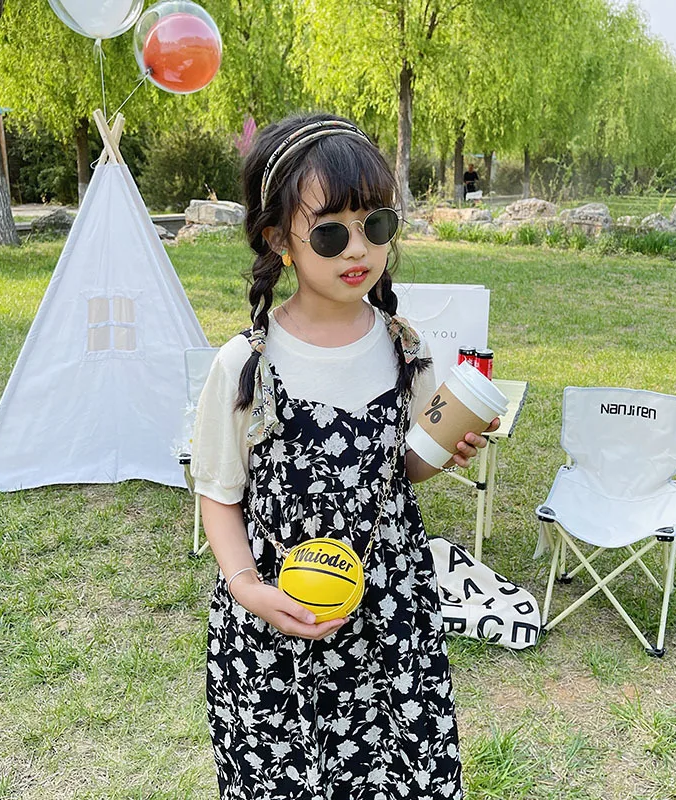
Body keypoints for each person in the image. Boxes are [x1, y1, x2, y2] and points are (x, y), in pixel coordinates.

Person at [191, 111, 499, 800]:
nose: (358, 248)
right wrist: (246, 586)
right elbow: (219, 491)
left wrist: (445, 448)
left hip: (391, 616)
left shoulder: (402, 346)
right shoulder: (246, 364)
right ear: (280, 240)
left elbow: (404, 468)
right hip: (276, 618)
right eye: (331, 232)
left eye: (376, 225)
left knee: (395, 774)